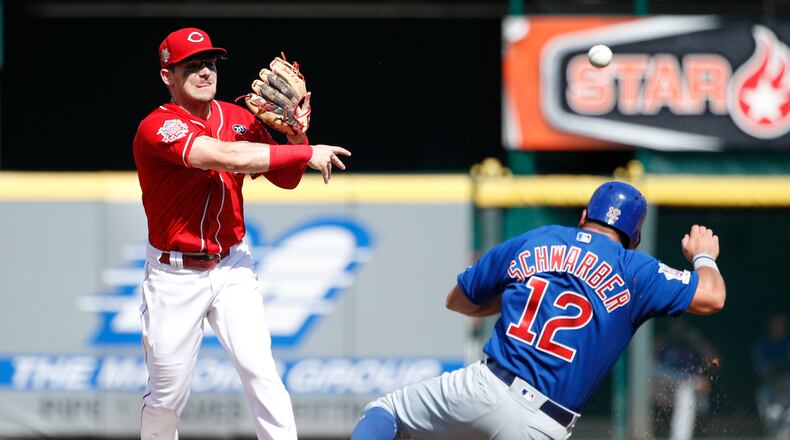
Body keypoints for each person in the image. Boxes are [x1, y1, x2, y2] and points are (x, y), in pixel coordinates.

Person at [351, 180, 726, 440]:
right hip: (544, 423)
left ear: (583, 215)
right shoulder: (635, 269)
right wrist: (704, 256)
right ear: (635, 237)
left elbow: (457, 299)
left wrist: (518, 297)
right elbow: (712, 297)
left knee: (387, 412)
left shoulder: (538, 238)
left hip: (485, 387)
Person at [132, 27, 350, 440]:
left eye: (209, 63)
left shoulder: (237, 118)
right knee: (167, 396)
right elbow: (225, 156)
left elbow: (284, 180)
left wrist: (295, 136)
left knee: (261, 371)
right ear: (167, 76)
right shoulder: (159, 128)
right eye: (191, 65)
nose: (204, 71)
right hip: (175, 275)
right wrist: (308, 151)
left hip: (233, 265)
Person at [652, 319, 718, 440]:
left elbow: (715, 361)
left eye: (681, 325)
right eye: (674, 324)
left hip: (693, 394)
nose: (678, 328)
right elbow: (647, 359)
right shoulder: (665, 343)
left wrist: (696, 340)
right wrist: (667, 337)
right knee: (650, 369)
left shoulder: (695, 346)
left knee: (685, 391)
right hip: (664, 390)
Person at [752, 311, 790, 439]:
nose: (777, 326)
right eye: (774, 324)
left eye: (780, 323)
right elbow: (764, 374)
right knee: (772, 413)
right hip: (772, 386)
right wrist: (778, 386)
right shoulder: (762, 346)